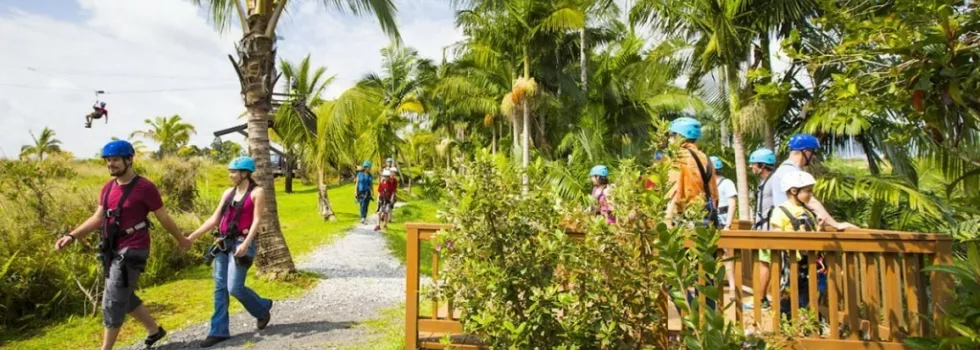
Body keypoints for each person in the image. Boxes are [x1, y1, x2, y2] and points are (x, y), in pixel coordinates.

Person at [54, 140, 190, 350]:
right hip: (112, 248)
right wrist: (72, 236)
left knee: (112, 298)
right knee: (123, 294)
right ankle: (155, 331)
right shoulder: (108, 188)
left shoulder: (145, 187)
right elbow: (98, 218)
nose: (111, 164)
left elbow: (163, 217)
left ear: (129, 160)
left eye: (115, 160)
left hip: (134, 247)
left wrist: (181, 239)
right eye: (108, 160)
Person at [186, 156, 274, 348]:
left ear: (245, 173)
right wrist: (192, 237)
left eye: (234, 172)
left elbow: (257, 221)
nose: (230, 175)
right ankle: (218, 331)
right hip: (223, 243)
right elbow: (214, 219)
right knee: (219, 288)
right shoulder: (228, 193)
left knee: (234, 287)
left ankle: (262, 308)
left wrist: (246, 243)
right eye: (230, 171)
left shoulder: (257, 192)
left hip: (242, 243)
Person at [770, 170, 828, 317]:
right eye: (807, 191)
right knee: (789, 295)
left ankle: (809, 323)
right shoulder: (781, 211)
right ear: (794, 191)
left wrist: (819, 228)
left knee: (811, 295)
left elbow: (814, 236)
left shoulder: (807, 211)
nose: (810, 195)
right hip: (792, 262)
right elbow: (776, 235)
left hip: (810, 261)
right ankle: (787, 323)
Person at [664, 116, 720, 227]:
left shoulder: (679, 157)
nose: (669, 140)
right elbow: (714, 196)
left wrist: (668, 219)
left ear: (679, 136)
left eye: (671, 135)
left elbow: (675, 192)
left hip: (684, 219)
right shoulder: (705, 158)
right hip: (704, 217)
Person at [743, 148, 777, 310]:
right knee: (764, 262)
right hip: (764, 228)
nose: (751, 167)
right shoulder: (765, 182)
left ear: (763, 165)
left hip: (770, 230)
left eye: (754, 164)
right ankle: (762, 297)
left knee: (765, 263)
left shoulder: (773, 181)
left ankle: (761, 299)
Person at [710, 156, 738, 300]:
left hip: (722, 220)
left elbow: (732, 203)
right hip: (711, 222)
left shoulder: (727, 183)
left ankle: (732, 286)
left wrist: (728, 224)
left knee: (726, 255)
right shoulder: (708, 184)